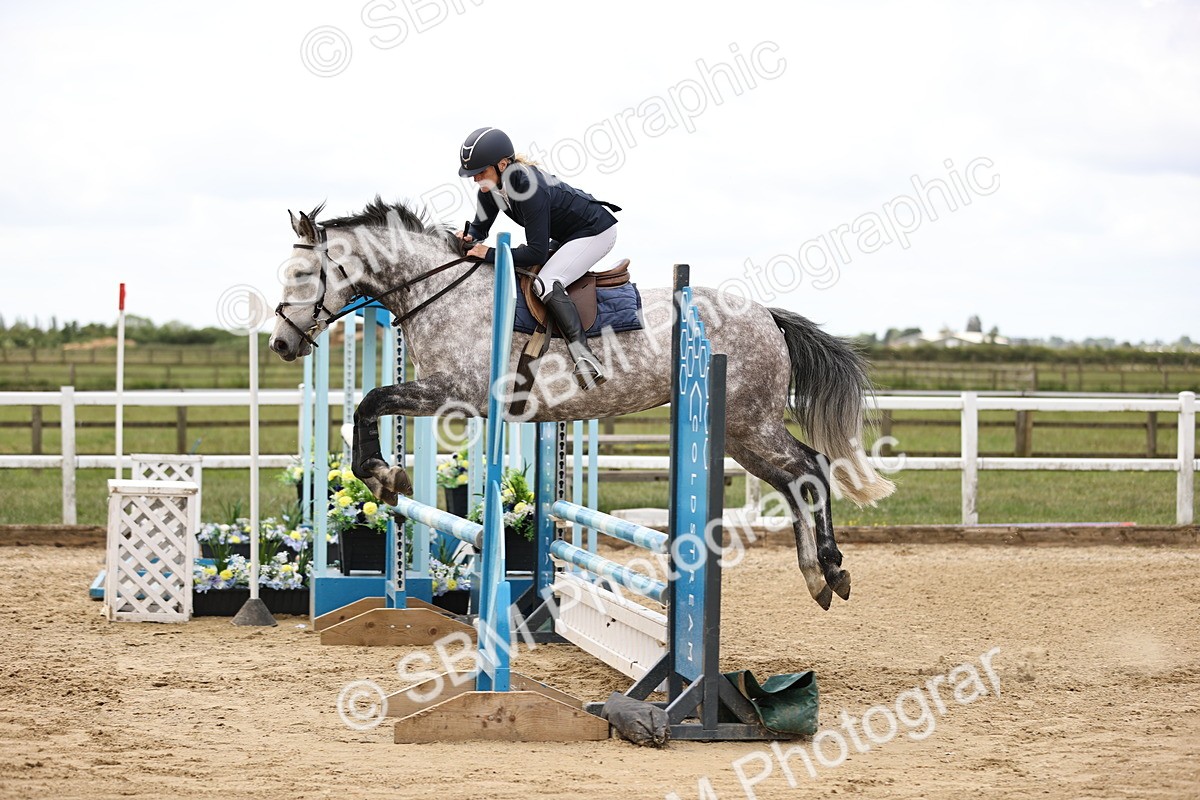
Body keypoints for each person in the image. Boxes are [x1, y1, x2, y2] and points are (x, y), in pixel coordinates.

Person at [456, 126, 620, 390]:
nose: (476, 179)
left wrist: (490, 253)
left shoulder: (529, 188)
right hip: (567, 235)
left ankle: (586, 358)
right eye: (473, 174)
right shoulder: (490, 190)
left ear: (502, 165)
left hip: (595, 231)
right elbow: (479, 229)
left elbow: (536, 252)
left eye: (480, 172)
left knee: (545, 282)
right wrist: (468, 237)